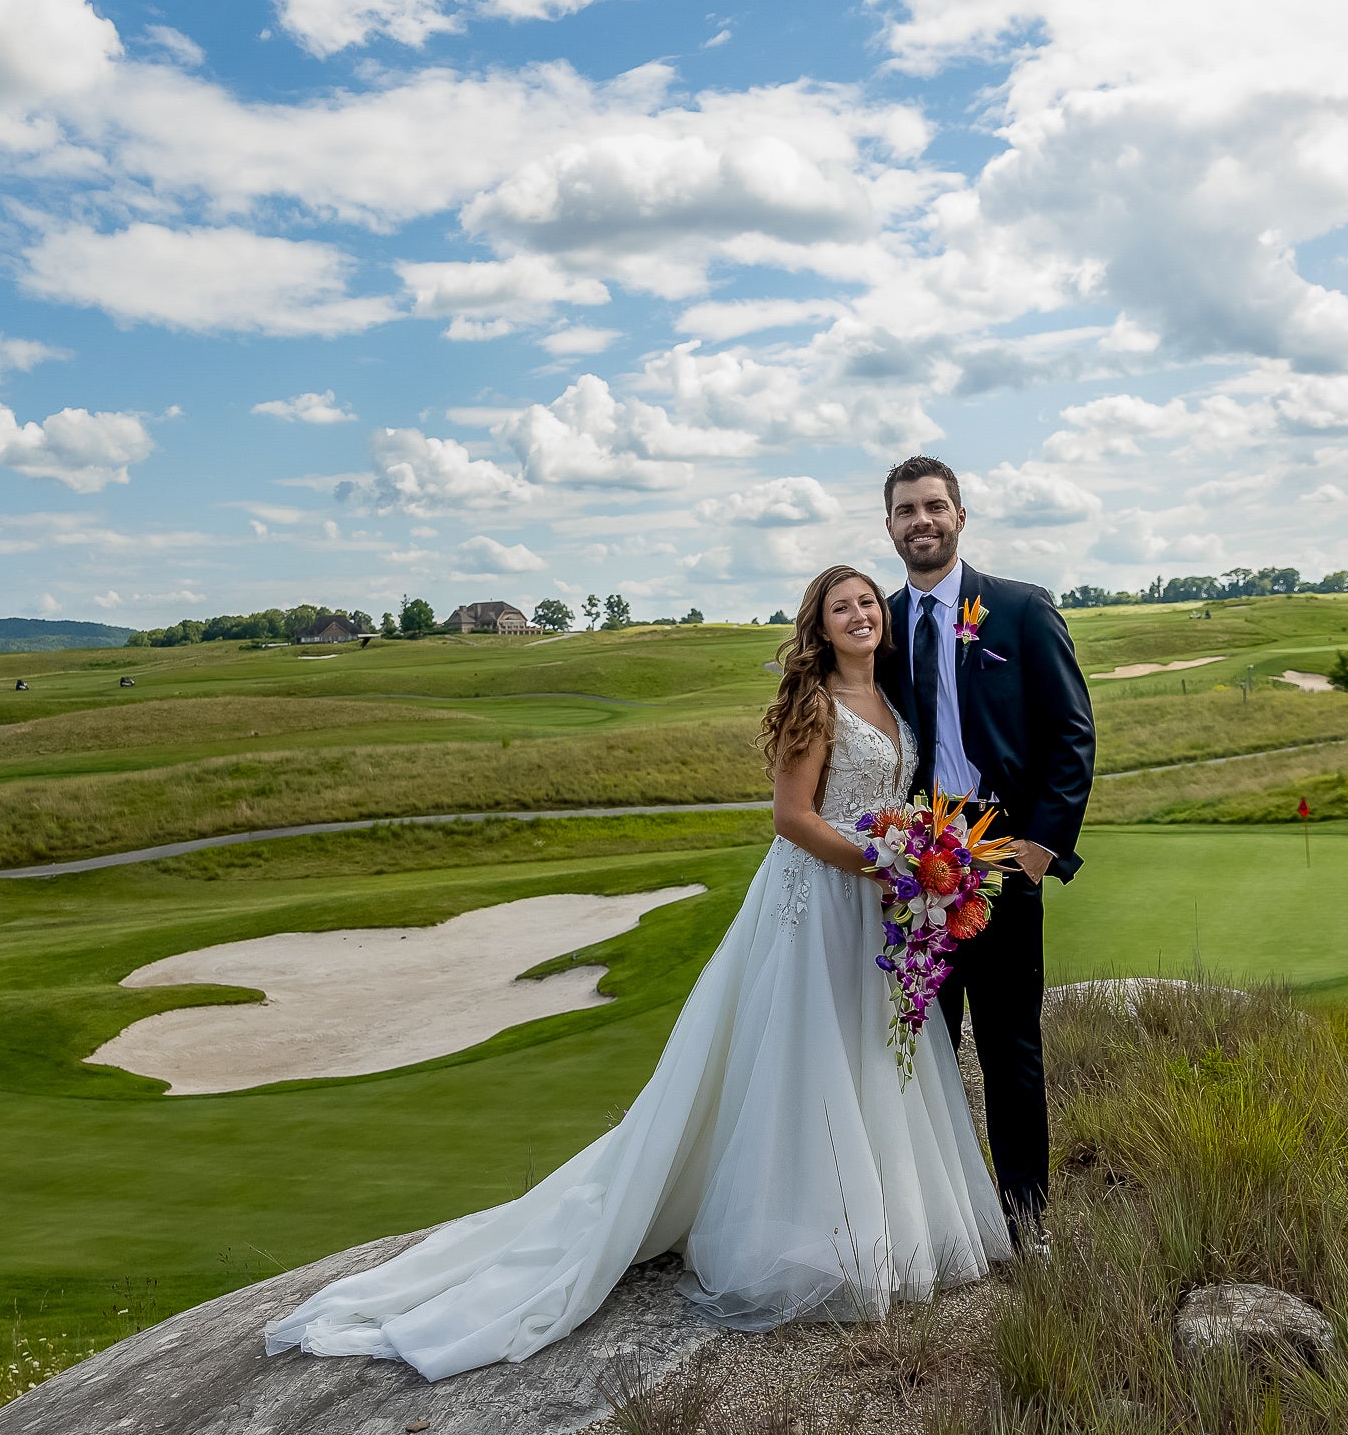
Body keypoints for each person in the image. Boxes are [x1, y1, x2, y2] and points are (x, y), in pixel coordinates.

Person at [263, 563, 1010, 1380]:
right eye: (843, 606)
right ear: (820, 626)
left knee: (871, 1053)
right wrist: (881, 860)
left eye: (868, 602)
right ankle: (801, 1233)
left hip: (875, 908)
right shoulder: (815, 705)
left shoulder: (891, 701)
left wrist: (914, 863)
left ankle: (880, 1224)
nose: (861, 614)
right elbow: (790, 818)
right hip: (819, 902)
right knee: (806, 1059)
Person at [879, 455, 1095, 1232]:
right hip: (911, 865)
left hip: (1001, 854)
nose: (922, 521)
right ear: (891, 526)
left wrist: (1038, 850)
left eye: (935, 506)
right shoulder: (880, 624)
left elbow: (1073, 736)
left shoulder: (1019, 610)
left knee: (1010, 1049)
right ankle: (930, 1221)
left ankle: (1025, 1219)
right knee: (919, 1051)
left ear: (961, 516)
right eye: (907, 510)